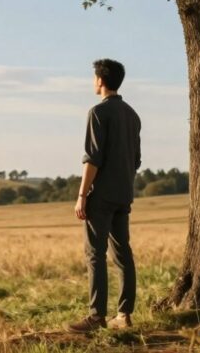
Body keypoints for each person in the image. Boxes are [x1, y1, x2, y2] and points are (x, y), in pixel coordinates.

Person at [67, 58, 141, 333]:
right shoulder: (132, 115)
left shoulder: (98, 112)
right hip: (124, 194)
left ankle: (96, 316)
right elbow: (136, 160)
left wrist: (82, 194)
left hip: (102, 195)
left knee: (95, 254)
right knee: (123, 254)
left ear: (100, 80)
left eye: (94, 77)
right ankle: (124, 314)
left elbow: (93, 159)